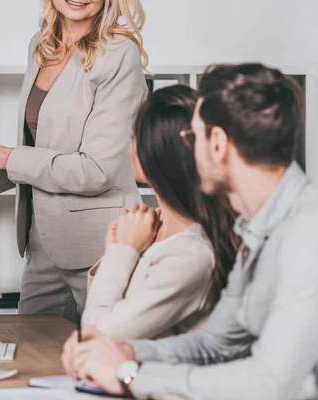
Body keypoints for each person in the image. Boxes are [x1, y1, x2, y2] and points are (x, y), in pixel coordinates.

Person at [62, 63, 318, 399]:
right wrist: (122, 353)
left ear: (218, 144)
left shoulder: (316, 234)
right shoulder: (258, 231)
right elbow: (215, 343)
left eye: (193, 137)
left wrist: (129, 374)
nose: (189, 152)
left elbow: (268, 385)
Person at [0, 0, 149, 323]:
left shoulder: (120, 53)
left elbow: (96, 170)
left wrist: (9, 157)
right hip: (41, 237)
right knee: (31, 351)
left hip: (99, 243)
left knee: (106, 350)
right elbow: (49, 143)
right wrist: (0, 169)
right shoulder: (41, 45)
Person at [82, 85, 239, 341]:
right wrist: (121, 249)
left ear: (155, 154)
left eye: (134, 138)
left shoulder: (190, 256)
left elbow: (97, 334)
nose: (130, 148)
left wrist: (121, 252)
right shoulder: (149, 228)